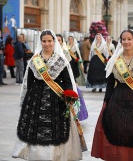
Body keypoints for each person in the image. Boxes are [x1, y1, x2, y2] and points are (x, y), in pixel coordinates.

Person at [12, 29, 83, 160]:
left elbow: (67, 81)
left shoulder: (61, 60)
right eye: (44, 41)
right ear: (41, 42)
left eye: (49, 41)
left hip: (57, 98)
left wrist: (69, 95)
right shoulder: (35, 60)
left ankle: (55, 155)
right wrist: (28, 100)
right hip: (36, 98)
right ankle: (37, 155)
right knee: (36, 128)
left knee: (56, 128)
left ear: (54, 42)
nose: (47, 44)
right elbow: (29, 82)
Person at [91, 29, 133, 161]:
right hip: (118, 98)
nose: (126, 42)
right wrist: (106, 102)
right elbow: (110, 83)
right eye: (124, 39)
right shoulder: (115, 59)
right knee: (116, 128)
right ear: (120, 42)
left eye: (129, 39)